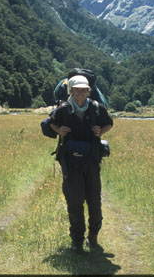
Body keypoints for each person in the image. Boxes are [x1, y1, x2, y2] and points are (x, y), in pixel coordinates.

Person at [49, 74, 113, 254]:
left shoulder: (97, 108)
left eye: (83, 90)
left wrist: (100, 131)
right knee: (75, 202)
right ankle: (77, 240)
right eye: (77, 90)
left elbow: (109, 124)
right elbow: (51, 123)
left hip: (91, 160)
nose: (80, 94)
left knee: (94, 201)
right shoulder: (63, 109)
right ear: (71, 91)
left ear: (88, 91)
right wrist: (59, 130)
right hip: (70, 162)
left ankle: (93, 236)